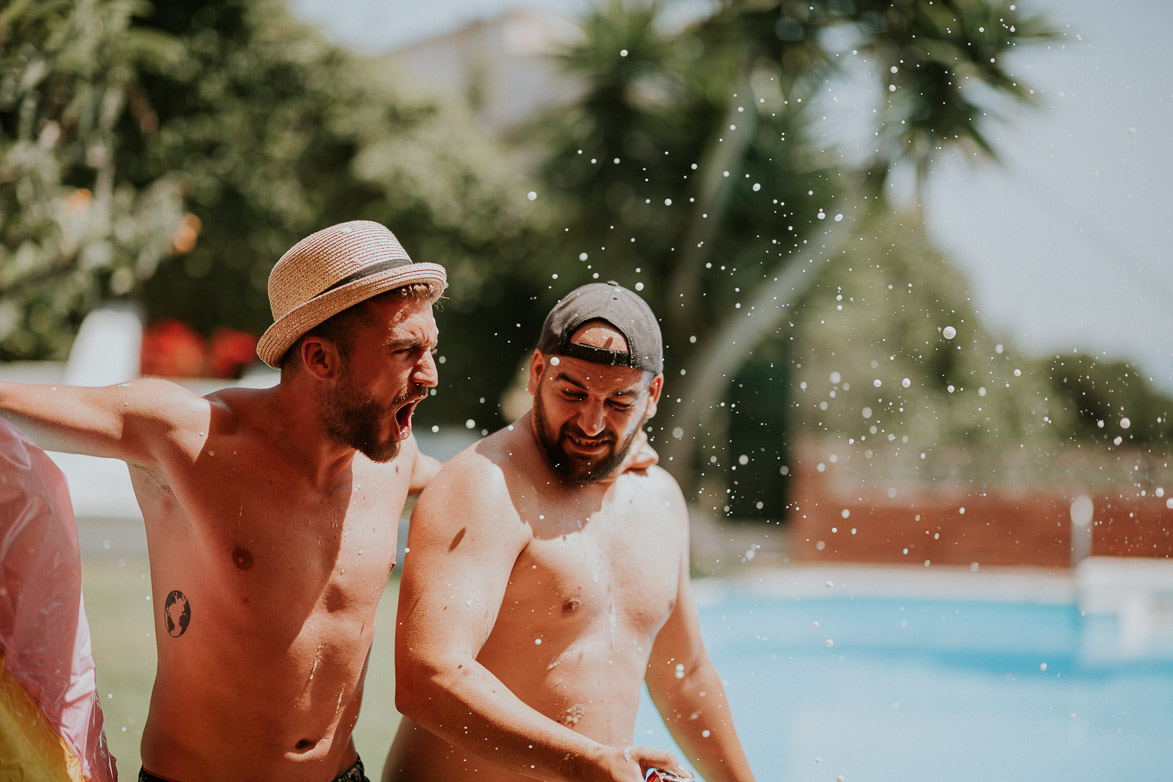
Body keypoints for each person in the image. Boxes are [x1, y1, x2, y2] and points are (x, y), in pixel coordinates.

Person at [0, 220, 447, 782]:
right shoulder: (186, 436)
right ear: (319, 358)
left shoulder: (398, 463)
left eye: (432, 348)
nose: (429, 375)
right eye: (406, 350)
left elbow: (496, 493)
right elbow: (7, 407)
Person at [385, 282, 756, 782]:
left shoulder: (660, 499)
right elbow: (427, 679)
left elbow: (683, 675)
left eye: (619, 402)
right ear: (538, 372)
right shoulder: (485, 486)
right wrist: (585, 762)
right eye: (572, 393)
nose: (591, 421)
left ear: (653, 395)